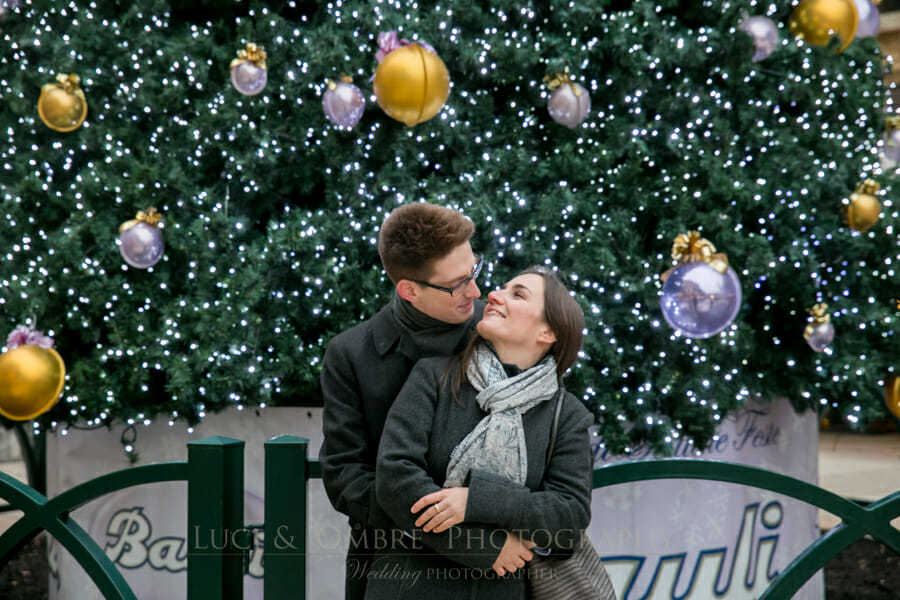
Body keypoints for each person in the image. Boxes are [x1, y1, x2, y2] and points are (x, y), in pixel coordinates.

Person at [369, 266, 596, 600]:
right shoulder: (434, 376)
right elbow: (394, 478)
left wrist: (474, 500)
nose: (493, 295)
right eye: (502, 288)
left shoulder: (567, 416)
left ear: (548, 332)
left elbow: (569, 515)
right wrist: (486, 547)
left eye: (517, 294)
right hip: (409, 586)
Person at [319, 202, 485, 600]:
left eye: (475, 270)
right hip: (394, 563)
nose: (476, 291)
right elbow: (345, 476)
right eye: (457, 284)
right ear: (408, 289)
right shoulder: (350, 354)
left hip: (497, 563)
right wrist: (444, 529)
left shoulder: (499, 329)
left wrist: (486, 517)